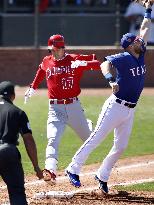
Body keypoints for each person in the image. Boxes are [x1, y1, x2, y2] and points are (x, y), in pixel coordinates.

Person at [66, 0, 153, 194]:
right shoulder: (124, 57)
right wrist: (111, 80)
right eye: (136, 40)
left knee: (121, 146)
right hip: (115, 106)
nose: (140, 40)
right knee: (97, 137)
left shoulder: (139, 53)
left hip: (130, 109)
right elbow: (104, 64)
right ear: (129, 46)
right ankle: (73, 168)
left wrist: (148, 8)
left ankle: (102, 175)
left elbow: (146, 28)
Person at [24, 34, 100, 185]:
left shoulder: (73, 58)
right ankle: (50, 171)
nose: (56, 51)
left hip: (74, 107)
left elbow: (98, 63)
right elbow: (41, 71)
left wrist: (82, 64)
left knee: (89, 140)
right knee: (52, 139)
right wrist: (32, 87)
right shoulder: (47, 61)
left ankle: (88, 124)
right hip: (55, 108)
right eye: (54, 49)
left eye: (58, 48)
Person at [0, 81, 43, 205]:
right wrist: (36, 166)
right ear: (13, 95)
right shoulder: (17, 112)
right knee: (16, 192)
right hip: (7, 151)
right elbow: (28, 140)